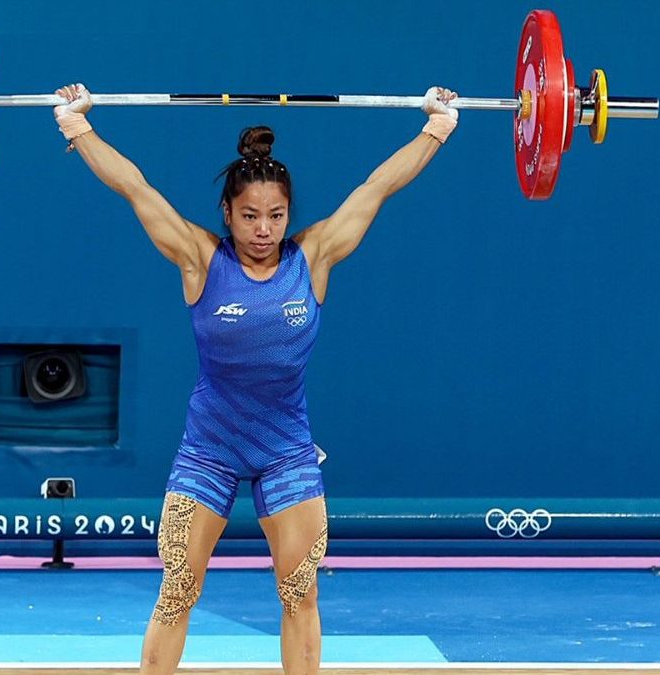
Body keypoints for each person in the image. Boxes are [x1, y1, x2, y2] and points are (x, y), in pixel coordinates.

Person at [52, 82, 458, 675]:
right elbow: (134, 187)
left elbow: (379, 187)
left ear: (289, 213)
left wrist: (437, 128)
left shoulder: (313, 258)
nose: (263, 229)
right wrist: (76, 125)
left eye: (275, 216)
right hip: (209, 450)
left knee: (300, 595)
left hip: (285, 452)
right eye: (249, 216)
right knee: (177, 590)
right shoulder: (200, 259)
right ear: (227, 212)